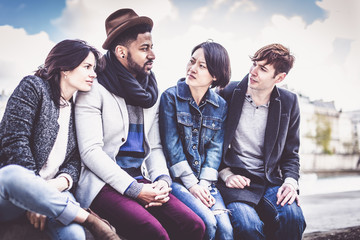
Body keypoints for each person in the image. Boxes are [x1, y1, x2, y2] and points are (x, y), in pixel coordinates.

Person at [74, 8, 205, 240]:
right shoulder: (94, 89)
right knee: (154, 232)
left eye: (152, 47)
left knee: (194, 225)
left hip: (141, 178)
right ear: (122, 52)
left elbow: (153, 147)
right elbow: (91, 152)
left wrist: (163, 180)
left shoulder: (150, 92)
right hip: (102, 184)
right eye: (144, 48)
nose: (152, 54)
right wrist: (135, 190)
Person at [0, 39, 120, 240]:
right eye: (87, 67)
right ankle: (91, 219)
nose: (94, 74)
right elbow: (14, 141)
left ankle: (81, 220)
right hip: (15, 190)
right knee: (11, 175)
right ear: (65, 68)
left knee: (74, 235)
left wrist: (49, 190)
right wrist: (34, 193)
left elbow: (74, 161)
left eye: (94, 68)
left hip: (54, 190)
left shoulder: (79, 109)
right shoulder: (33, 87)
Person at [217, 43, 306, 240]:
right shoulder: (228, 93)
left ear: (280, 78)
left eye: (263, 69)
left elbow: (291, 153)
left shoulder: (289, 102)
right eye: (254, 64)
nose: (253, 71)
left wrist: (291, 182)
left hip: (271, 181)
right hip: (237, 182)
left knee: (293, 218)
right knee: (248, 226)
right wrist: (226, 174)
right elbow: (210, 142)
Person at [159, 41, 233, 240]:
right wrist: (193, 185)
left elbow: (216, 149)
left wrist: (204, 184)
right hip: (177, 181)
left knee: (226, 230)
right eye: (192, 62)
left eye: (202, 66)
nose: (192, 69)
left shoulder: (220, 106)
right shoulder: (170, 97)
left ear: (215, 75)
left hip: (205, 182)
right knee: (207, 223)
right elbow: (172, 147)